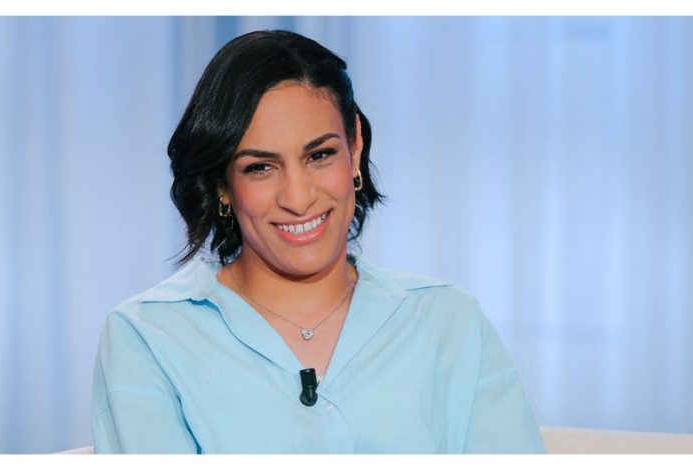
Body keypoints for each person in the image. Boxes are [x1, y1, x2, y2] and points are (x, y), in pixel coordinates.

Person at [91, 30, 545, 453]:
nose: (298, 198)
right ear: (221, 185)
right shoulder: (148, 337)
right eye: (260, 167)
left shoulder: (449, 321)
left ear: (355, 147)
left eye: (320, 154)